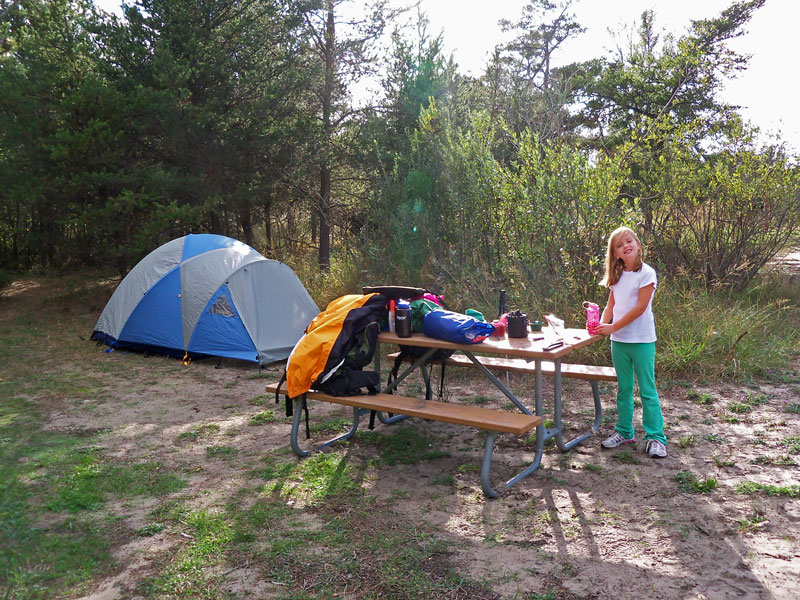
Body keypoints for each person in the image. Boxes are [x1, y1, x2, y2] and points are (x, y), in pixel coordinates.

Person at [594, 226, 667, 458]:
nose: (626, 245)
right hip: (619, 342)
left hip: (642, 341)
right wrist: (599, 327)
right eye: (619, 244)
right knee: (624, 390)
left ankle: (656, 437)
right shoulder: (617, 277)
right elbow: (610, 306)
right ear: (615, 254)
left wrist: (612, 326)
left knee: (647, 390)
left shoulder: (647, 273)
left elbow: (639, 308)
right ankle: (624, 431)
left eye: (630, 240)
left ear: (638, 244)